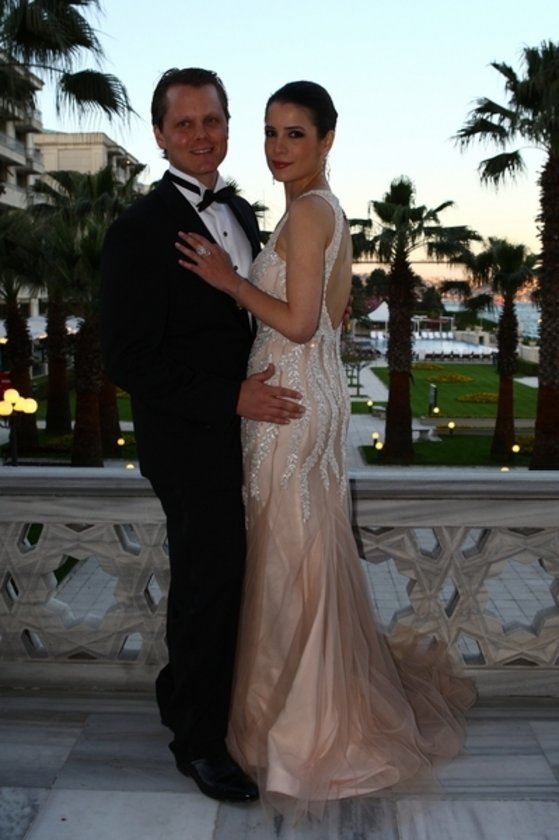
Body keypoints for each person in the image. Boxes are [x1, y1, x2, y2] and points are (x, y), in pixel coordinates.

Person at [175, 80, 477, 819]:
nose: (278, 147)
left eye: (295, 134)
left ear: (327, 140)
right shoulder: (321, 209)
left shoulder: (309, 212)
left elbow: (303, 323)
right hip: (302, 398)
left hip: (288, 407)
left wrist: (227, 280)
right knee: (296, 552)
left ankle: (301, 727)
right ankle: (297, 709)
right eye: (270, 132)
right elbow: (331, 315)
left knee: (287, 556)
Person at [100, 67, 305, 805]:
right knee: (208, 585)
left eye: (211, 120)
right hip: (188, 441)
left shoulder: (241, 211)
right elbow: (126, 359)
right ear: (158, 134)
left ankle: (180, 694)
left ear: (226, 125)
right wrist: (231, 398)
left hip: (247, 433)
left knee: (221, 581)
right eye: (183, 123)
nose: (199, 135)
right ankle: (199, 745)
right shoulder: (137, 230)